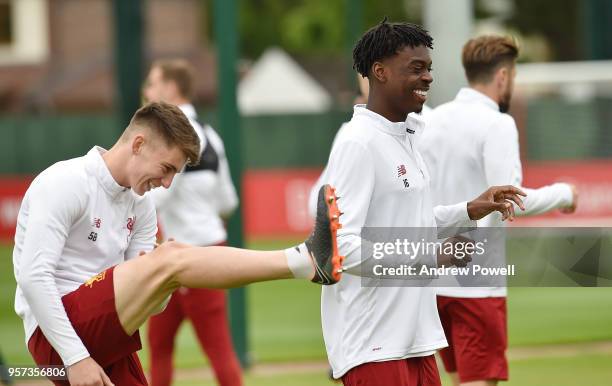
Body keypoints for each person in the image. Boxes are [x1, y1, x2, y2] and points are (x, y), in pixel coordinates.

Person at [12, 101, 344, 386]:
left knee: (171, 259)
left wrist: (163, 282)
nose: (168, 184)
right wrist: (75, 359)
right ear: (138, 144)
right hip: (55, 335)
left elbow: (150, 306)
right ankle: (305, 261)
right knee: (173, 256)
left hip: (106, 334)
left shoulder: (141, 205)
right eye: (167, 168)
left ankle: (305, 261)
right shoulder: (65, 182)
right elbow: (32, 277)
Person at [311, 20, 526, 386]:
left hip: (416, 342)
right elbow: (342, 249)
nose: (427, 78)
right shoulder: (358, 142)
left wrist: (468, 210)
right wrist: (432, 256)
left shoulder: (409, 136)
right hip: (373, 347)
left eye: (429, 68)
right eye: (416, 68)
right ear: (379, 72)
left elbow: (410, 221)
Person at [418, 35, 578, 386]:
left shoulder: (434, 119)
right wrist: (565, 193)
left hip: (433, 279)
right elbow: (510, 200)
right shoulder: (497, 123)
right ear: (503, 76)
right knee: (478, 380)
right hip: (476, 283)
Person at [142, 59, 242, 386]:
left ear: (171, 89)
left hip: (187, 254)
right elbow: (228, 201)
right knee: (168, 343)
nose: (147, 90)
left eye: (153, 84)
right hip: (200, 249)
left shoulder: (173, 132)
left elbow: (160, 196)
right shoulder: (211, 135)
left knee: (174, 348)